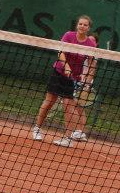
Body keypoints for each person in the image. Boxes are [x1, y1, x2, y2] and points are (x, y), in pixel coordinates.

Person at [31, 15, 97, 146]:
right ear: (77, 25)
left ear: (89, 28)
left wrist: (88, 80)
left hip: (73, 78)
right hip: (58, 72)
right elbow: (61, 52)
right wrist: (66, 66)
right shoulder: (69, 36)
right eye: (80, 24)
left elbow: (92, 63)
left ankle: (68, 139)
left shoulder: (91, 44)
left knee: (68, 106)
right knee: (49, 102)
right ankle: (37, 129)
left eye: (85, 25)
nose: (82, 26)